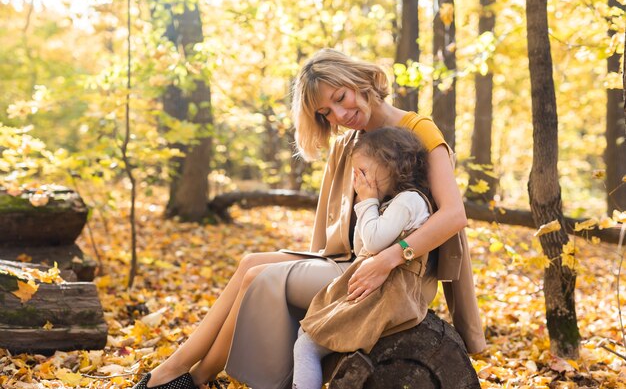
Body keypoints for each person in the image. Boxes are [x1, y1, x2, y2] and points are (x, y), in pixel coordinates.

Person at [132, 48, 485, 389]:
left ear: (360, 81)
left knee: (260, 276)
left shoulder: (418, 130)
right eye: (325, 112)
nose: (339, 114)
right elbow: (339, 225)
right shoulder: (351, 142)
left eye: (341, 96)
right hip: (354, 260)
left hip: (398, 274)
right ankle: (177, 368)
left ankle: (191, 378)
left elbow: (454, 215)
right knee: (249, 263)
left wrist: (391, 257)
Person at [293, 126, 434, 389]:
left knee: (306, 345)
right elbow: (362, 248)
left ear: (392, 165)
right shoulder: (392, 204)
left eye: (364, 171)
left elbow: (374, 241)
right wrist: (369, 203)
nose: (359, 180)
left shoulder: (409, 201)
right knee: (307, 334)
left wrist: (368, 202)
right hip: (375, 289)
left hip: (387, 295)